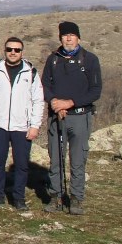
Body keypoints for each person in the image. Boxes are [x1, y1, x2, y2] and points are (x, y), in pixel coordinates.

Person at [42, 21, 102, 216]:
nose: (68, 38)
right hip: (56, 117)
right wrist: (54, 102)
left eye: (72, 35)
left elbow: (95, 91)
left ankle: (76, 199)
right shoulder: (53, 60)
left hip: (80, 116)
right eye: (65, 35)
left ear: (78, 38)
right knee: (56, 159)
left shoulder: (89, 60)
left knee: (78, 159)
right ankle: (56, 197)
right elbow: (44, 87)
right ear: (60, 38)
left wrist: (70, 103)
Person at [0, 37, 44, 210]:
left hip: (22, 126)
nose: (13, 53)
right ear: (4, 51)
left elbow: (38, 100)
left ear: (22, 52)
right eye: (9, 49)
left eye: (17, 50)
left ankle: (19, 198)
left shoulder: (30, 72)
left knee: (22, 164)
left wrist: (35, 125)